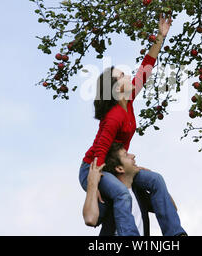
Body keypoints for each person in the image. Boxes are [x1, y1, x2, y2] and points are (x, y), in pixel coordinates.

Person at [78, 13, 186, 236]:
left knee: (155, 180)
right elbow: (100, 151)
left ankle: (176, 234)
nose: (129, 75)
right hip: (94, 167)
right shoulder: (114, 116)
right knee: (122, 194)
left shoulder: (128, 100)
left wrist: (160, 37)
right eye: (122, 75)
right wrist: (95, 183)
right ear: (117, 88)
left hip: (113, 163)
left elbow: (146, 67)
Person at [83, 142, 182, 236]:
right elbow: (90, 219)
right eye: (126, 155)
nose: (133, 156)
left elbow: (171, 209)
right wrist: (92, 184)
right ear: (119, 168)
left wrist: (155, 184)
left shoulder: (139, 193)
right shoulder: (110, 196)